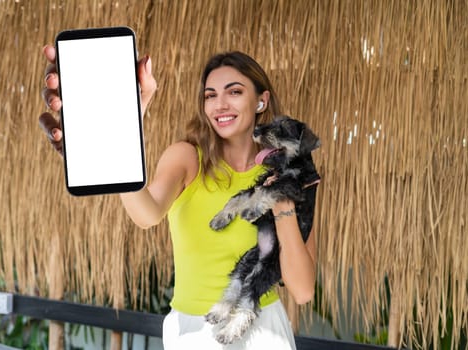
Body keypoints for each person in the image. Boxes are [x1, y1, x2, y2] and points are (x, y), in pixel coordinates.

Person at [39, 45, 318, 349]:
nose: (220, 105)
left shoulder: (294, 171)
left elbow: (302, 290)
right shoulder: (187, 158)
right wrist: (119, 142)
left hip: (262, 330)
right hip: (193, 332)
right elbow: (146, 215)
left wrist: (281, 198)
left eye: (234, 92)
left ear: (261, 100)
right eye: (210, 95)